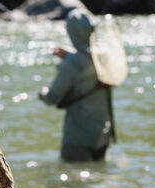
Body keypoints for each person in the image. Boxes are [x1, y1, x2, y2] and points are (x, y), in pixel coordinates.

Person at [39, 8, 114, 162]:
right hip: (103, 134)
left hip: (78, 137)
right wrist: (69, 54)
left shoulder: (72, 64)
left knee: (74, 179)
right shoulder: (104, 57)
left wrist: (42, 93)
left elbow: (52, 98)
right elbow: (86, 58)